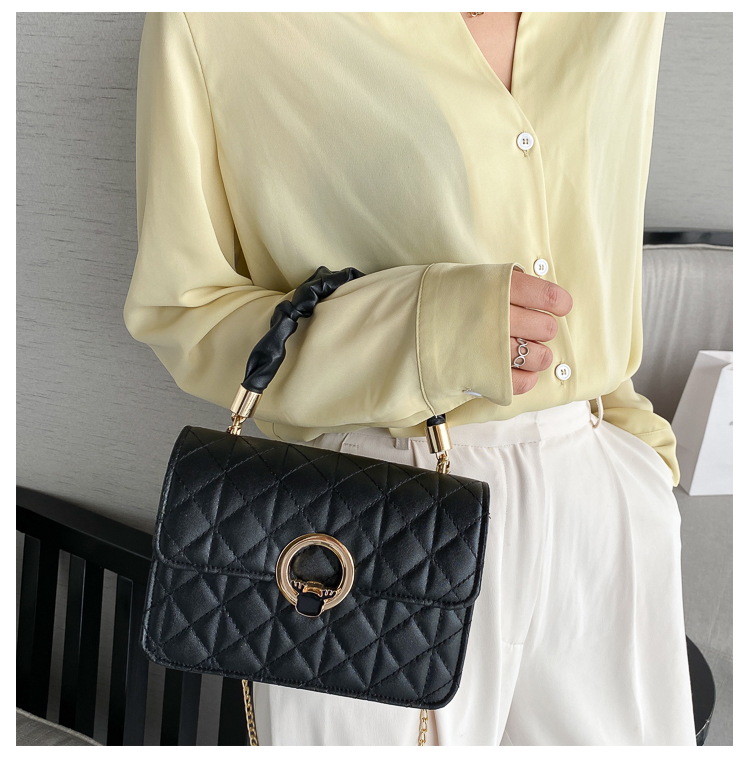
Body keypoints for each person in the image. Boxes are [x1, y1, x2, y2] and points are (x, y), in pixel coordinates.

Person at [124, 11, 696, 746]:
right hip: (370, 524)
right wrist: (427, 327)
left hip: (599, 503)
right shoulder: (221, 23)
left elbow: (596, 230)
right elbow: (183, 310)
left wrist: (636, 456)